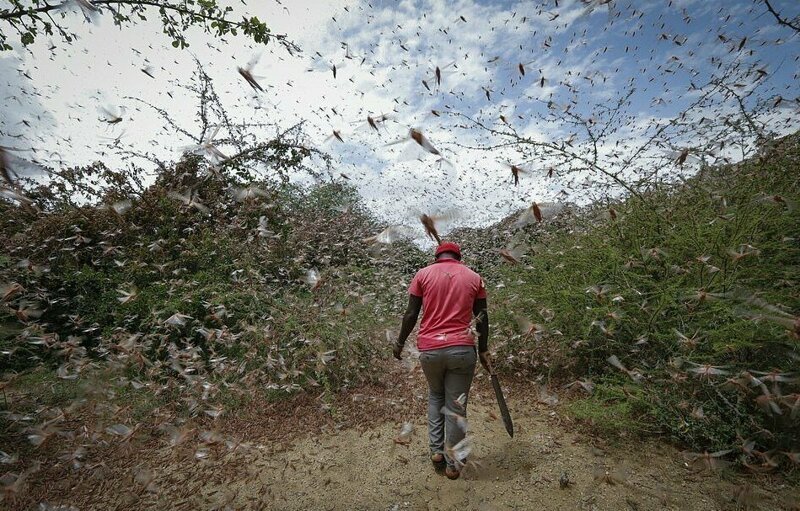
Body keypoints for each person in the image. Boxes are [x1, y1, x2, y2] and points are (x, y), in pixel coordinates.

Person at [393, 241, 491, 480]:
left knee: (436, 395)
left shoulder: (423, 274)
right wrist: (484, 349)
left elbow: (411, 314)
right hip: (461, 350)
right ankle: (453, 464)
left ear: (437, 256)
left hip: (430, 350)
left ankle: (436, 451)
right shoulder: (474, 277)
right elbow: (482, 318)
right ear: (459, 257)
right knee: (456, 406)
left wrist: (399, 342)